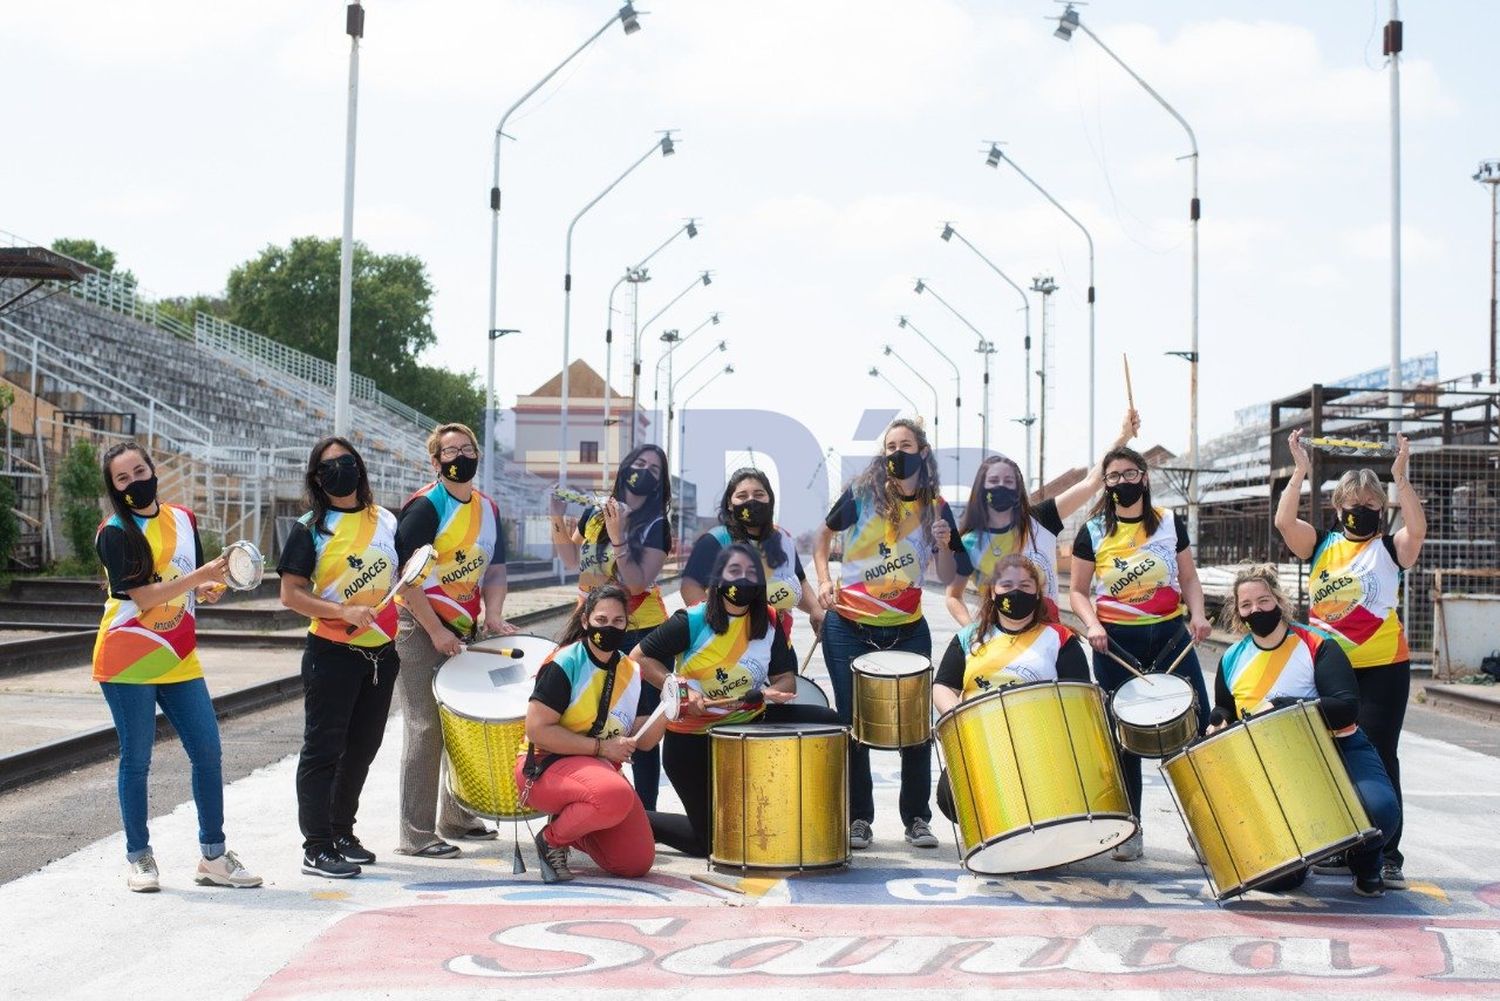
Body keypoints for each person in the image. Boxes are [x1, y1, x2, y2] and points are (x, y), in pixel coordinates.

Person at [92, 442, 262, 893]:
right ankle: (140, 858)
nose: (134, 482)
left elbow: (191, 583)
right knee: (137, 760)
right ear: (113, 487)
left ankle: (214, 856)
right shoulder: (115, 531)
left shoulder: (183, 519)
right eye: (122, 479)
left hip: (179, 653)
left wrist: (207, 588)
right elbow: (144, 597)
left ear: (154, 469)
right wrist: (201, 574)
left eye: (139, 470)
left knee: (207, 752)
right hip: (128, 655)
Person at [1273, 429, 1424, 889]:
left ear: (1383, 509)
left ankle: (1388, 851)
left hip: (1383, 669)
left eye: (1372, 505)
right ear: (1338, 510)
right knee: (1328, 753)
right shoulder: (1320, 545)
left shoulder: (1390, 548)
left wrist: (1401, 476)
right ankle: (1341, 844)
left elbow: (1416, 529)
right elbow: (1283, 521)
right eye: (1352, 505)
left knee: (1379, 755)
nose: (1362, 512)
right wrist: (1300, 470)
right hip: (1329, 667)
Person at [812, 418, 968, 851]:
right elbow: (822, 540)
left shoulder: (936, 506)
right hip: (848, 629)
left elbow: (950, 576)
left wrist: (948, 543)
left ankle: (917, 817)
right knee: (854, 721)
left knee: (915, 727)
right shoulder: (862, 495)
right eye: (890, 446)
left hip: (907, 631)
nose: (896, 452)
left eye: (905, 444)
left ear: (922, 451)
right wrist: (825, 580)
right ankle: (859, 818)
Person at [632, 544, 842, 858]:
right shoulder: (691, 620)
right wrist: (679, 688)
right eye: (734, 572)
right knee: (712, 843)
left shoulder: (768, 620)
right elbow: (639, 658)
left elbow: (784, 678)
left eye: (749, 573)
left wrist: (770, 692)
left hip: (749, 726)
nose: (741, 580)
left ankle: (829, 819)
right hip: (693, 737)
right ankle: (631, 819)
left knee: (833, 723)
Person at [1206, 564, 1401, 898]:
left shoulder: (1317, 644)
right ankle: (1306, 856)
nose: (1257, 609)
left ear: (1279, 601)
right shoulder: (1231, 659)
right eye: (1247, 605)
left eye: (1264, 600)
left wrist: (1284, 704)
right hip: (1274, 767)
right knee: (1278, 880)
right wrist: (1217, 718)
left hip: (1337, 750)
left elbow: (1345, 707)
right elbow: (1225, 706)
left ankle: (1365, 861)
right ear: (1237, 613)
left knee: (1380, 810)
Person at [1068, 445, 1213, 862]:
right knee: (1123, 739)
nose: (1122, 483)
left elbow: (1188, 577)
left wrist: (1198, 615)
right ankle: (1130, 827)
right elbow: (1077, 591)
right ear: (1107, 482)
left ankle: (1204, 826)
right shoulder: (1092, 531)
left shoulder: (1169, 522)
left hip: (1170, 640)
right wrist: (1093, 624)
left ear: (1145, 478)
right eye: (1113, 477)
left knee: (1194, 730)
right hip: (1115, 645)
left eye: (1130, 475)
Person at [278, 437, 406, 879]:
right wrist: (343, 612)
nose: (340, 470)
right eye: (329, 466)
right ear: (317, 478)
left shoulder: (386, 519)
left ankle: (341, 831)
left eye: (347, 462)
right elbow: (290, 594)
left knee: (362, 749)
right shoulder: (310, 526)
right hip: (331, 654)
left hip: (381, 656)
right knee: (323, 750)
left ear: (360, 467)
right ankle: (316, 847)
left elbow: (404, 576)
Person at [392, 422, 517, 860]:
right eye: (450, 451)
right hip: (420, 629)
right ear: (435, 461)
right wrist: (437, 631)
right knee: (425, 730)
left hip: (463, 631)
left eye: (467, 448)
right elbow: (404, 584)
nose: (460, 456)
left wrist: (494, 614)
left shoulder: (488, 509)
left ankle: (456, 816)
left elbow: (496, 568)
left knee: (461, 726)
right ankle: (415, 833)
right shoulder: (426, 508)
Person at [551, 444, 673, 810]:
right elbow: (572, 559)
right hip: (591, 628)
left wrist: (619, 535)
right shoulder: (594, 513)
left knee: (639, 728)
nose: (644, 471)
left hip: (640, 634)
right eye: (638, 463)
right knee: (585, 718)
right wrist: (556, 517)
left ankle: (646, 813)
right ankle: (591, 799)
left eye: (654, 468)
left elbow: (635, 583)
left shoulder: (656, 526)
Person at [517, 583, 665, 883]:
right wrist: (602, 748)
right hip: (545, 768)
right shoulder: (565, 662)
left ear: (627, 624)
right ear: (585, 620)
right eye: (600, 621)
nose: (609, 628)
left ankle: (574, 826)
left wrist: (670, 707)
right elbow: (537, 729)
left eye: (618, 622)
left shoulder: (630, 671)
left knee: (635, 862)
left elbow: (645, 740)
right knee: (615, 795)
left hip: (597, 773)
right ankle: (552, 840)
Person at [932, 555, 1092, 825]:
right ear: (993, 592)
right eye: (1006, 585)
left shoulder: (1060, 639)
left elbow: (1078, 697)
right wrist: (961, 714)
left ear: (1038, 594)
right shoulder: (968, 637)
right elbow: (943, 686)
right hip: (983, 739)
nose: (1016, 592)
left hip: (1039, 745)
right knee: (950, 796)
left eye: (1026, 586)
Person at [946, 409, 1140, 625]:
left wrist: (1123, 437)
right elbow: (953, 596)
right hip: (999, 644)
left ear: (1019, 489)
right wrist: (972, 630)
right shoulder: (969, 544)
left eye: (1009, 481)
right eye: (994, 481)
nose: (1001, 486)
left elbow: (1091, 482)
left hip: (1049, 637)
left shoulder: (1041, 520)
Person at [680, 467, 824, 639]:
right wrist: (715, 626)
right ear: (730, 503)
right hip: (731, 646)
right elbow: (690, 587)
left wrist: (816, 610)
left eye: (758, 494)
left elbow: (799, 582)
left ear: (769, 499)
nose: (751, 501)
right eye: (742, 496)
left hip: (779, 642)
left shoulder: (783, 540)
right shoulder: (716, 540)